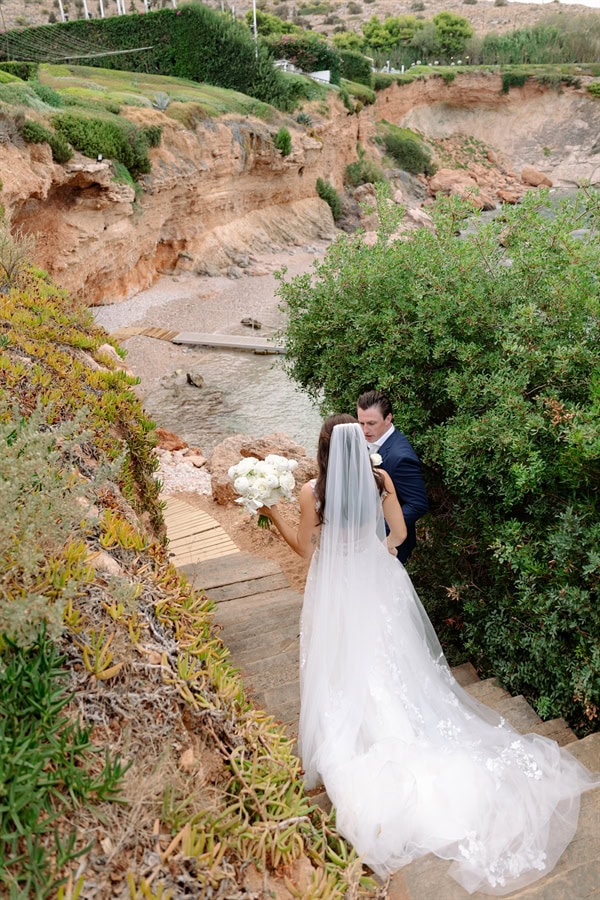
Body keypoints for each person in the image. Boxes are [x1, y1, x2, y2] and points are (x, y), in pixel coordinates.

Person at [259, 415, 598, 896]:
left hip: (336, 593)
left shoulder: (314, 492)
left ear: (323, 448)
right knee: (393, 665)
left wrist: (271, 514)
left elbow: (304, 554)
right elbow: (396, 535)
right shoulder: (380, 479)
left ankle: (361, 738)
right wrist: (378, 549)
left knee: (344, 665)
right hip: (378, 585)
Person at [357, 390, 428, 563]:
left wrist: (382, 531)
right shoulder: (368, 440)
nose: (365, 430)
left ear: (388, 419)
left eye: (371, 423)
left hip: (391, 543)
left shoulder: (400, 457)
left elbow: (418, 504)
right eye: (361, 423)